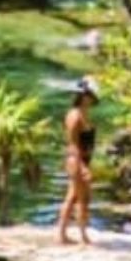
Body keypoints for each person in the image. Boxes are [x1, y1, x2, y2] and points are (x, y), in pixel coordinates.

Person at [55, 77, 99, 245]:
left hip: (83, 159)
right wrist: (82, 167)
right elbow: (73, 144)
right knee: (81, 198)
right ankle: (81, 235)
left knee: (74, 197)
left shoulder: (83, 114)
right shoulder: (74, 116)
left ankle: (64, 234)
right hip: (76, 160)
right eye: (90, 95)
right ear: (84, 96)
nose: (92, 99)